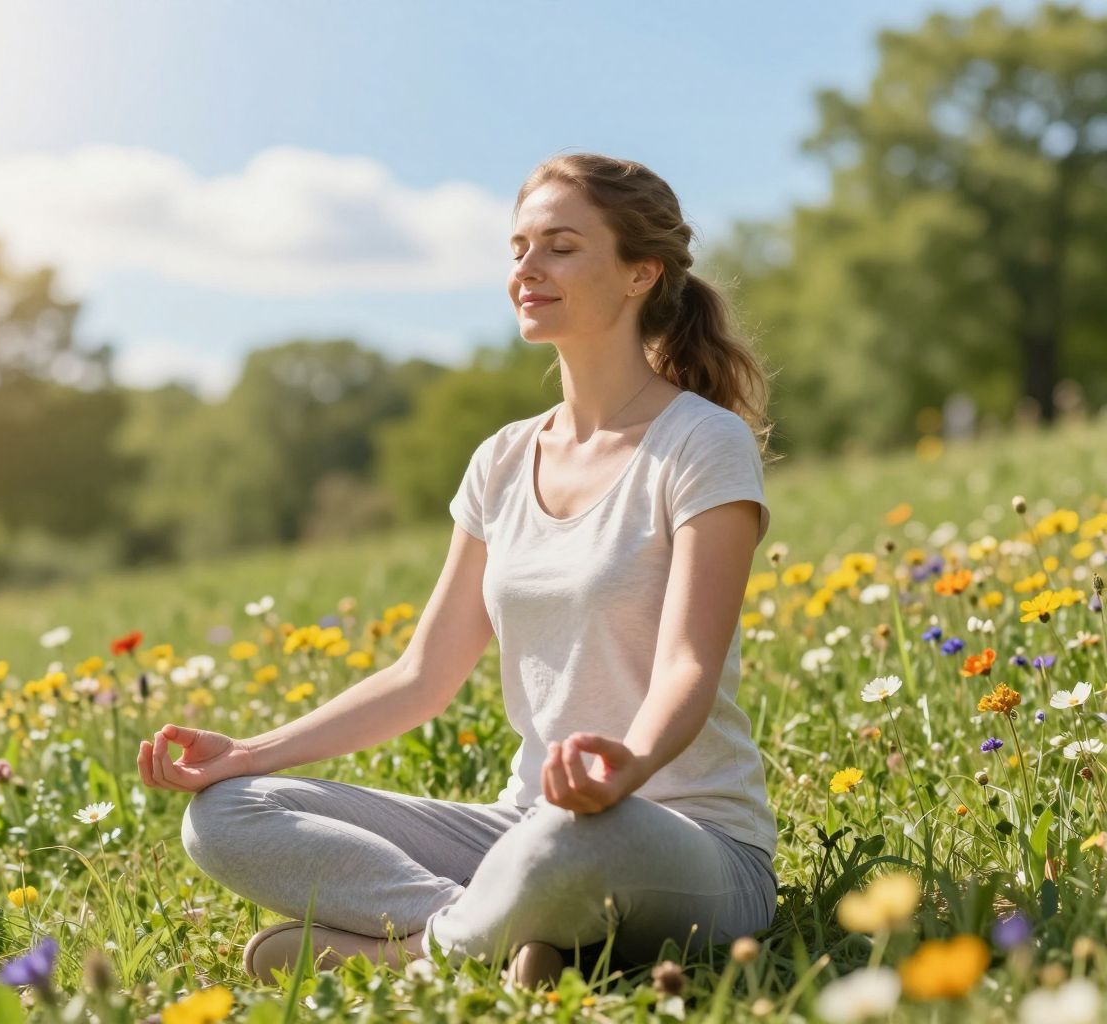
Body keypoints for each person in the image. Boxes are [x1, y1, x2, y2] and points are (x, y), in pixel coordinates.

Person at [137, 152, 780, 989]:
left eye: (559, 246)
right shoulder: (503, 460)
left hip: (684, 838)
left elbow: (689, 661)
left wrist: (632, 761)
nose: (527, 269)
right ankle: (499, 933)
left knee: (566, 843)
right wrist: (247, 754)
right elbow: (421, 676)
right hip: (524, 826)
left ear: (639, 273)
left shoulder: (701, 443)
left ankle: (412, 958)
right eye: (518, 247)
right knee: (224, 817)